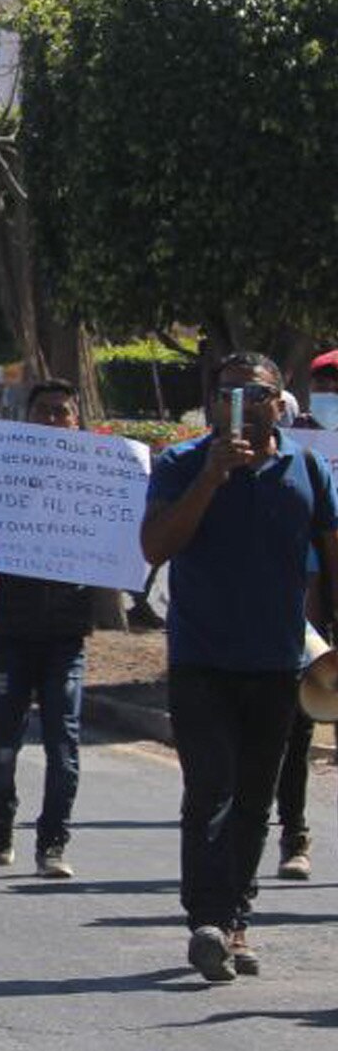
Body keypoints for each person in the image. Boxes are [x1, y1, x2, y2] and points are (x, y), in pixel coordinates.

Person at [140, 351, 338, 983]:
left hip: (278, 662)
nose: (239, 405)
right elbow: (156, 546)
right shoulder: (181, 464)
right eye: (225, 393)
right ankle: (206, 918)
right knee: (210, 792)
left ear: (278, 403)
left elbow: (333, 552)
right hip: (200, 660)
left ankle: (236, 921)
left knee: (256, 799)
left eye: (252, 394)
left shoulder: (306, 466)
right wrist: (211, 478)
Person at [0, 379, 95, 879]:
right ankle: (0, 820)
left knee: (63, 744)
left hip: (66, 636)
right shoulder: (1, 476)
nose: (51, 421)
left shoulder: (97, 482)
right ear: (26, 420)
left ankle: (53, 841)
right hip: (10, 633)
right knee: (4, 741)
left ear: (76, 421)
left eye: (61, 413)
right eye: (43, 412)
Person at [270, 352, 338, 879]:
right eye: (325, 386)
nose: (331, 396)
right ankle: (294, 835)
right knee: (298, 733)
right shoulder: (297, 458)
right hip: (306, 614)